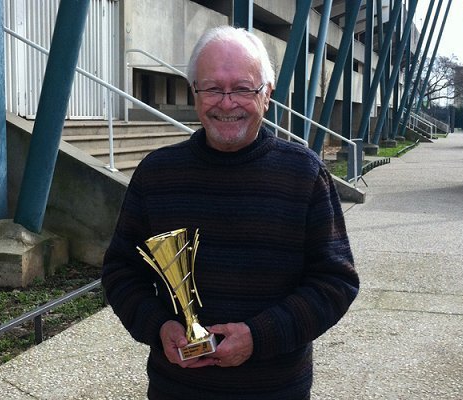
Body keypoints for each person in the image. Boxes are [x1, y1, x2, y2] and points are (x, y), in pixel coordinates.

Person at [102, 25, 359, 400]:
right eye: (211, 88)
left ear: (267, 95)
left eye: (242, 88)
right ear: (195, 94)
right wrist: (159, 327)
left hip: (274, 390)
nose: (226, 102)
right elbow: (121, 272)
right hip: (177, 389)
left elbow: (336, 282)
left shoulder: (304, 174)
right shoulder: (157, 174)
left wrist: (258, 337)